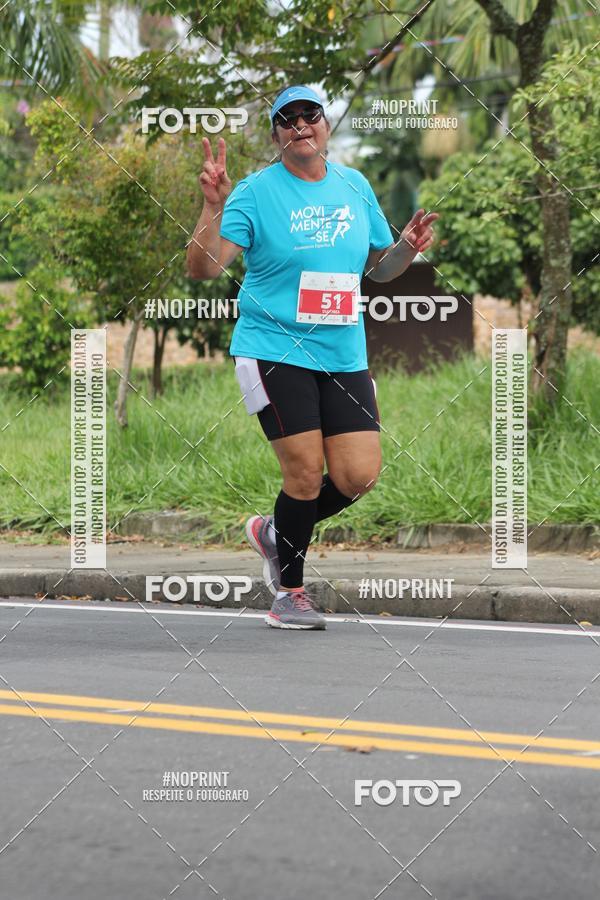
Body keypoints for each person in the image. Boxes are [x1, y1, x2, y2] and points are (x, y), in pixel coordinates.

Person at [187, 85, 438, 631]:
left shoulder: (354, 185)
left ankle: (275, 532)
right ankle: (290, 593)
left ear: (325, 125)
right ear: (276, 134)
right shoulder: (254, 192)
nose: (300, 124)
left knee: (358, 476)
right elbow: (204, 268)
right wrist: (212, 207)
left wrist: (407, 248)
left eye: (310, 114)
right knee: (304, 475)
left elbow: (379, 269)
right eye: (287, 118)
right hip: (274, 348)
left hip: (343, 353)